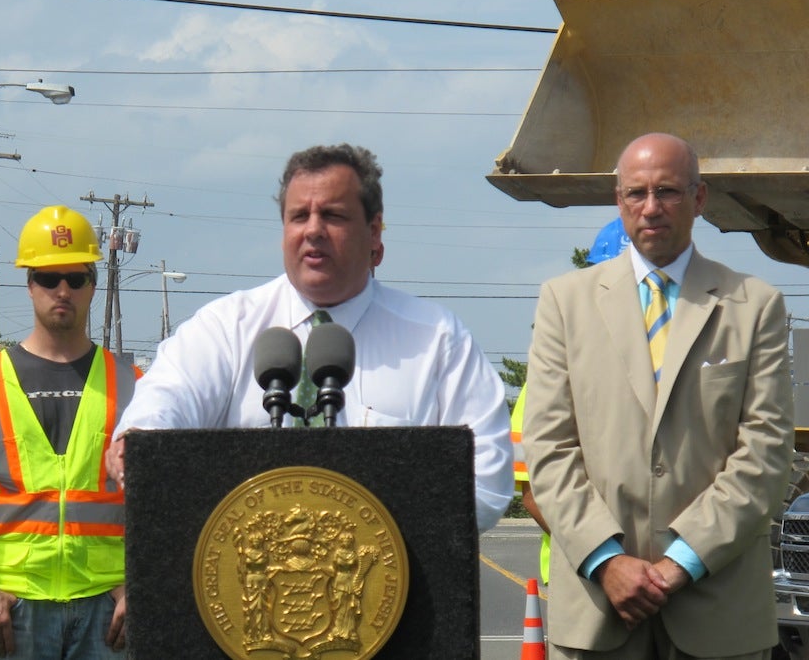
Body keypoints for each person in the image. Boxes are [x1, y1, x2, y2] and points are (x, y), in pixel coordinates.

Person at [106, 143, 514, 533]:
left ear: (374, 232)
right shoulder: (226, 327)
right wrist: (138, 443)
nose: (314, 230)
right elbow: (165, 402)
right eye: (299, 216)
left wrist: (367, 520)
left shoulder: (439, 341)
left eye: (333, 215)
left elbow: (489, 482)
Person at [523, 132, 792, 658]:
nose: (651, 208)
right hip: (600, 612)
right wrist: (608, 561)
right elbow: (550, 450)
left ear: (699, 199)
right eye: (636, 193)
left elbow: (766, 452)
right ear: (617, 200)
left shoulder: (754, 305)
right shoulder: (564, 302)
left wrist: (683, 561)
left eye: (667, 191)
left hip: (719, 609)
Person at [0, 205, 138, 660]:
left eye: (76, 279)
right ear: (29, 283)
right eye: (48, 277)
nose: (63, 290)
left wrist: (141, 587)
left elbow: (165, 503)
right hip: (13, 609)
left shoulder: (135, 386)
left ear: (93, 286)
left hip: (108, 606)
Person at [510, 216, 632, 585]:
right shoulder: (551, 379)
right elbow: (533, 492)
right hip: (583, 579)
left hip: (668, 580)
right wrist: (606, 561)